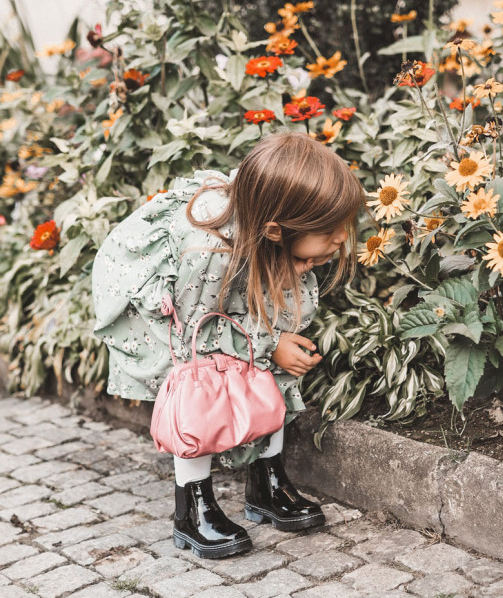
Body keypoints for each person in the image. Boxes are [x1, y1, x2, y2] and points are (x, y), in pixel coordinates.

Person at [91, 130, 364, 559]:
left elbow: (254, 316)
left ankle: (266, 484)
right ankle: (192, 506)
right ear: (276, 229)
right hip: (165, 310)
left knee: (269, 367)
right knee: (199, 390)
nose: (340, 239)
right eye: (329, 230)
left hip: (225, 286)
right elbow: (194, 331)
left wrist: (271, 341)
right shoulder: (208, 248)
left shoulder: (272, 222)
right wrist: (269, 344)